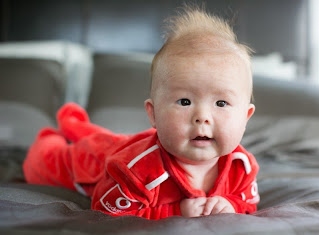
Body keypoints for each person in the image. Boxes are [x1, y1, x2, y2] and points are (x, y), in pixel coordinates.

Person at [23, 6, 259, 220]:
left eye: (221, 103)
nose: (202, 117)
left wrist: (230, 205)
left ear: (245, 118)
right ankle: (55, 132)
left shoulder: (243, 166)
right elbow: (107, 210)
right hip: (100, 160)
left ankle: (77, 125)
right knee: (43, 162)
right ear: (154, 114)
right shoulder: (133, 171)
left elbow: (246, 202)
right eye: (185, 101)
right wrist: (177, 211)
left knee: (105, 137)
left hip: (132, 143)